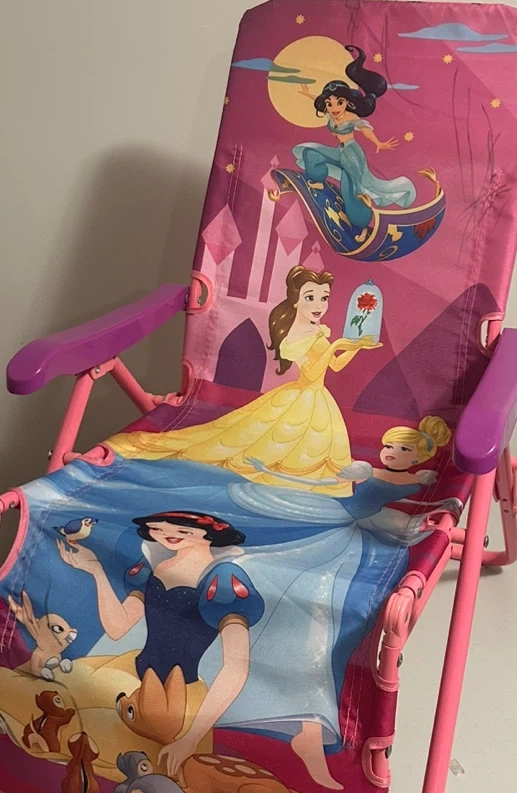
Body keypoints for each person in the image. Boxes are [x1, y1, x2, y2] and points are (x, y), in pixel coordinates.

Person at [108, 267, 379, 496]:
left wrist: (355, 348)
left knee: (314, 453)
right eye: (311, 297)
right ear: (296, 300)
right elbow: (311, 373)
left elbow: (333, 366)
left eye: (324, 298)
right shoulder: (294, 335)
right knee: (256, 446)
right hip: (303, 397)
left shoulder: (317, 330)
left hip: (319, 400)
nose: (319, 305)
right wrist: (337, 346)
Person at [57, 510, 262, 777]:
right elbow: (118, 627)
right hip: (129, 675)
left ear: (210, 533)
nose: (169, 535)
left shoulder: (223, 578)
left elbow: (236, 667)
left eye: (182, 530)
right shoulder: (153, 564)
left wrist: (191, 738)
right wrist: (96, 570)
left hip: (180, 695)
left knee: (151, 773)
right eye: (159, 528)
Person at [292, 46, 416, 233]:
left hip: (351, 154)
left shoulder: (351, 117)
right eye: (329, 103)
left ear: (347, 102)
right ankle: (317, 179)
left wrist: (378, 143)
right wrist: (307, 94)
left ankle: (361, 224)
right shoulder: (331, 112)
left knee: (351, 190)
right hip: (339, 151)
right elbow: (321, 100)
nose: (334, 107)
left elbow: (365, 129)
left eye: (339, 102)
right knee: (311, 153)